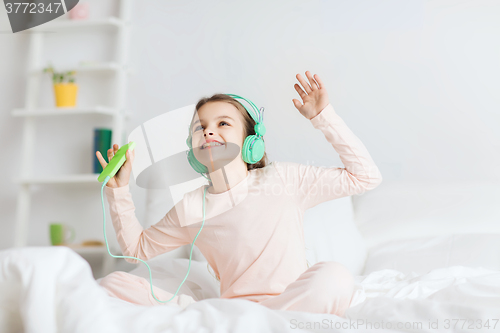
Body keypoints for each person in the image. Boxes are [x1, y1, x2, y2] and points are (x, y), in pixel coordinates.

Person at [95, 71, 383, 317]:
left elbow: (365, 176)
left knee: (334, 277)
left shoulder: (283, 178)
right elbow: (137, 251)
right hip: (232, 313)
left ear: (250, 141)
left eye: (223, 123)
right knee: (114, 284)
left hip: (291, 304)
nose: (209, 132)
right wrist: (118, 190)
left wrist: (323, 117)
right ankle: (215, 318)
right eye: (200, 127)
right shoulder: (191, 206)